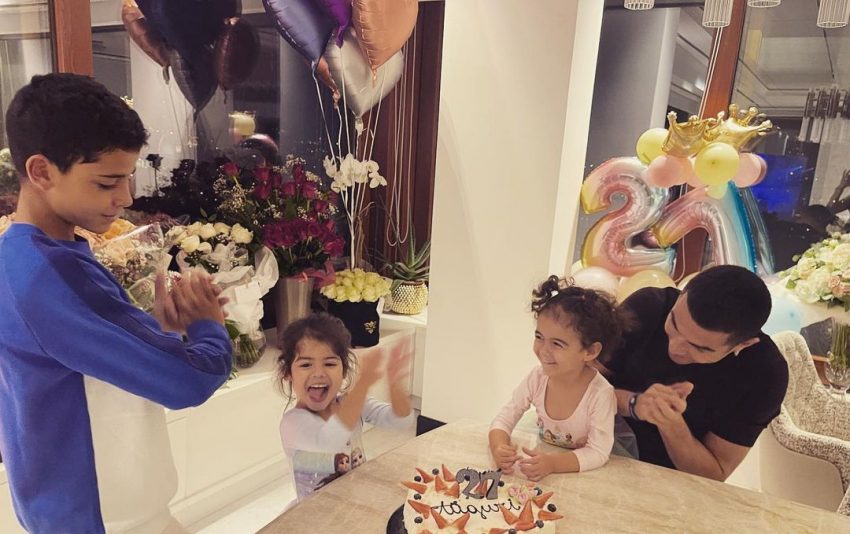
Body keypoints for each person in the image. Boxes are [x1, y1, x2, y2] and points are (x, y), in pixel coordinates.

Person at [0, 73, 232, 533]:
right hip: (105, 517)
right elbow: (189, 381)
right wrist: (209, 327)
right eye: (107, 182)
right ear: (41, 172)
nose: (125, 197)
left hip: (63, 507)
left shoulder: (18, 257)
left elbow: (75, 367)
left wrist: (155, 333)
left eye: (128, 177)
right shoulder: (52, 274)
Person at [597, 265, 789, 481]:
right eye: (673, 324)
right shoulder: (649, 306)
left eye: (699, 348)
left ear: (743, 345)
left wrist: (670, 423)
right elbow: (575, 384)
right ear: (682, 295)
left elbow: (713, 475)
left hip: (670, 481)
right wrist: (634, 403)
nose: (675, 348)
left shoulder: (765, 374)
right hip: (593, 443)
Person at [489, 276, 625, 481]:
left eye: (557, 344)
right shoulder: (537, 378)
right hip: (544, 458)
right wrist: (498, 446)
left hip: (582, 471)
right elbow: (503, 419)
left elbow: (598, 452)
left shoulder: (600, 394)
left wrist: (553, 464)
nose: (543, 350)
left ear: (590, 351)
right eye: (539, 337)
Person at [277, 313, 414, 503]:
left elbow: (400, 421)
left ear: (344, 371)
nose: (318, 373)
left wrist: (395, 385)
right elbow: (329, 441)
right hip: (314, 514)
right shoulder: (292, 423)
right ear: (288, 373)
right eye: (306, 364)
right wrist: (363, 383)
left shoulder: (349, 404)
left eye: (329, 363)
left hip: (354, 503)